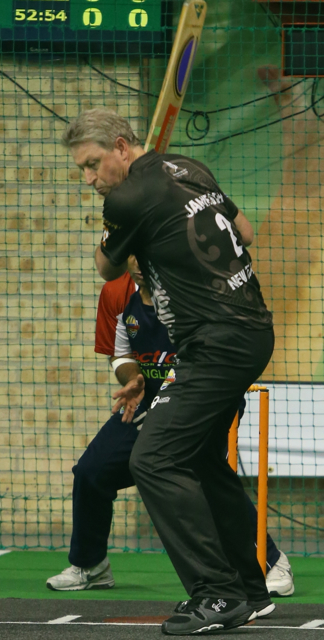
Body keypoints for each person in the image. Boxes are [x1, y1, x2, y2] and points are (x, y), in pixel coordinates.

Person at [62, 109, 277, 635]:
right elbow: (245, 232)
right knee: (199, 458)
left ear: (120, 146)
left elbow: (107, 268)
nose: (89, 179)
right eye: (82, 170)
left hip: (216, 345)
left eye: (92, 165)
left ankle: (217, 592)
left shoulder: (126, 199)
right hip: (249, 330)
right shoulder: (188, 167)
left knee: (153, 459)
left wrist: (123, 231)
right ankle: (250, 589)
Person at [47, 256, 294, 600]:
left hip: (206, 397)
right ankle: (91, 565)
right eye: (131, 253)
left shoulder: (192, 287)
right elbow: (120, 355)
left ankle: (270, 562)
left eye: (144, 251)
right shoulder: (117, 294)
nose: (137, 262)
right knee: (92, 472)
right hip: (147, 401)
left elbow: (216, 350)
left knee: (204, 476)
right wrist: (133, 377)